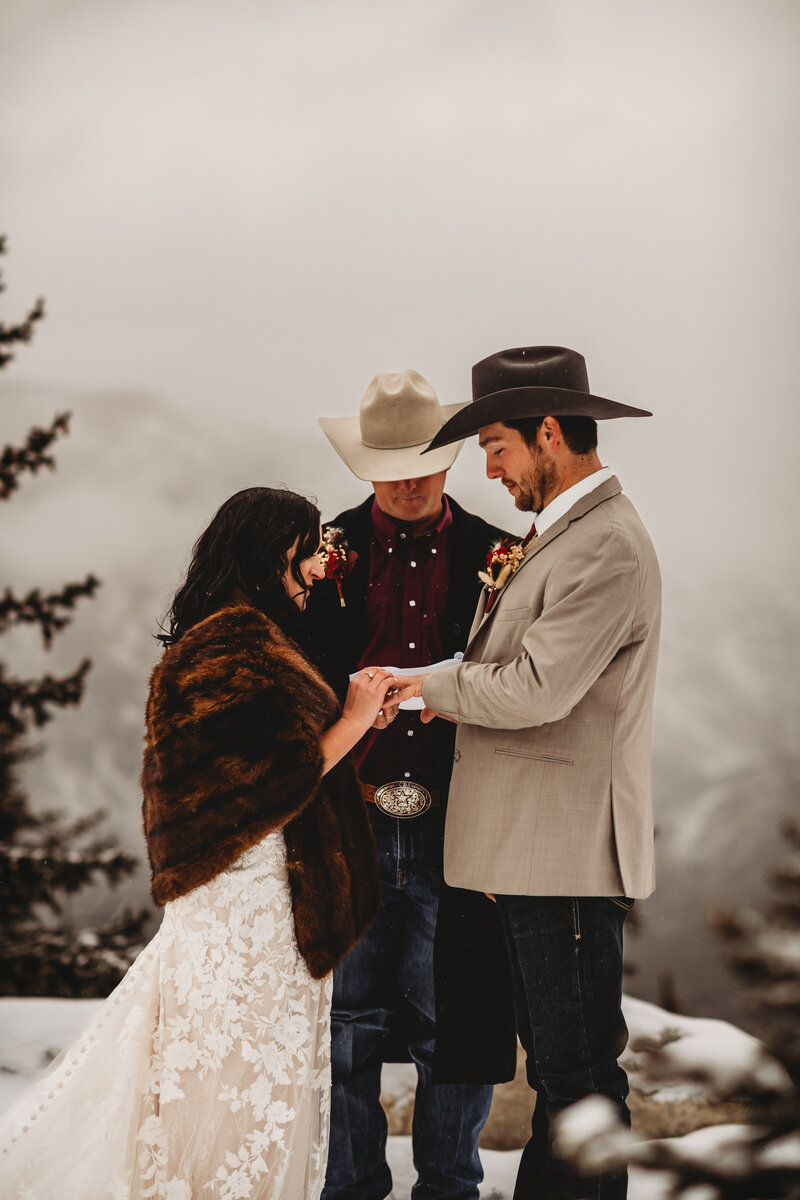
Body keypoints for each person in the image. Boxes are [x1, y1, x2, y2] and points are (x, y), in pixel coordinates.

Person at [0, 485, 399, 1200]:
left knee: (248, 1079)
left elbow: (267, 751)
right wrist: (359, 718)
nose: (318, 567)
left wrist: (354, 713)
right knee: (240, 1082)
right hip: (251, 910)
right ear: (275, 551)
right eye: (308, 551)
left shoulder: (246, 636)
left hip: (258, 901)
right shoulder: (233, 643)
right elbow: (274, 780)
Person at [393, 346, 661, 1200]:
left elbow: (540, 687)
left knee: (580, 1081)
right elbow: (515, 663)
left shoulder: (607, 545)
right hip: (530, 852)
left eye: (498, 446)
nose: (490, 467)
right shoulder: (565, 532)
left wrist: (430, 689)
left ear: (551, 433)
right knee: (559, 1078)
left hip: (565, 854)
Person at [304, 369, 517, 1200]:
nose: (407, 480)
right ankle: (350, 1189)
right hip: (346, 818)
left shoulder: (504, 557)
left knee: (455, 1028)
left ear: (452, 457)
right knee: (345, 1027)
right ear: (364, 467)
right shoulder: (325, 555)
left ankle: (451, 1191)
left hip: (461, 820)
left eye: (423, 460)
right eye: (388, 464)